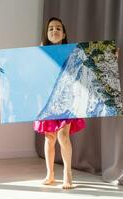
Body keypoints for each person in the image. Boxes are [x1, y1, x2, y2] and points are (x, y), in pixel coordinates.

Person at [33, 17, 86, 189]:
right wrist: (4, 66)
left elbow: (87, 67)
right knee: (49, 138)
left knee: (63, 136)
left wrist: (109, 55)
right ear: (47, 34)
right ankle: (50, 174)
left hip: (66, 100)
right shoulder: (41, 53)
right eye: (50, 29)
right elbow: (27, 70)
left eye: (58, 28)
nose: (54, 31)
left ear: (63, 34)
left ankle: (67, 173)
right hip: (48, 101)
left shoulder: (73, 52)